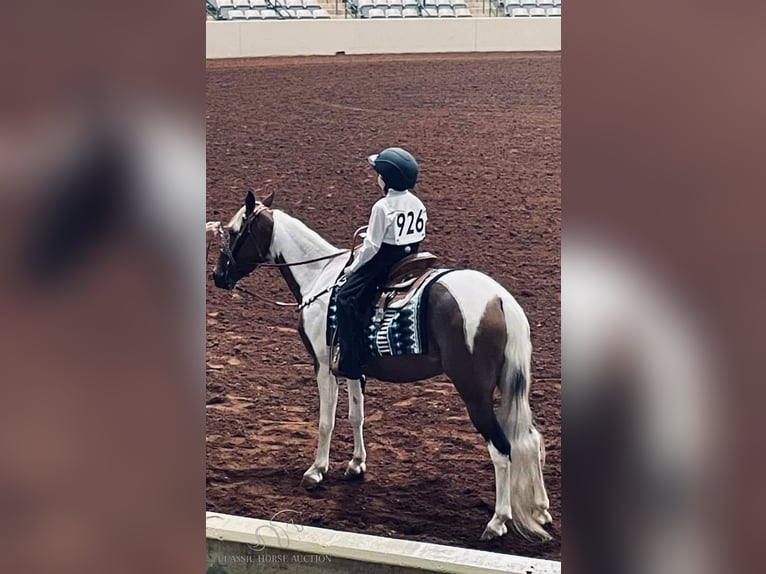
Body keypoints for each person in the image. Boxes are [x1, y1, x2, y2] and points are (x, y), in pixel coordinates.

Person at [335, 147, 428, 379]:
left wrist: (352, 268)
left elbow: (372, 247)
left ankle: (352, 362)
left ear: (385, 180)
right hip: (412, 258)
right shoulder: (417, 203)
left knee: (345, 299)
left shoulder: (382, 207)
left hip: (386, 262)